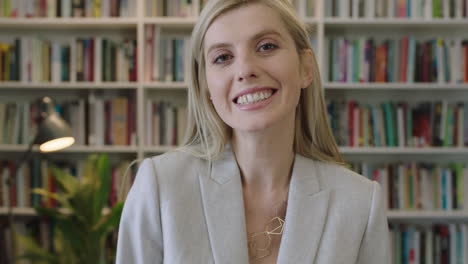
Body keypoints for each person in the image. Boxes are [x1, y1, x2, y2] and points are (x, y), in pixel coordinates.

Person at [116, 0, 390, 263]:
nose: (245, 70)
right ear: (206, 86)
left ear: (306, 68)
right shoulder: (160, 187)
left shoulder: (360, 203)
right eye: (223, 57)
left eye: (266, 46)